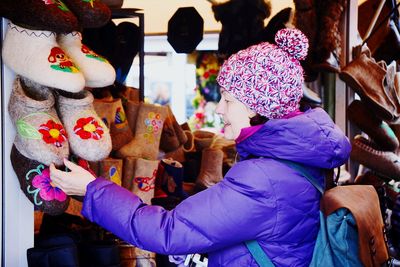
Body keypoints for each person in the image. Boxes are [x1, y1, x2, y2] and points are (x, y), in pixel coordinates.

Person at [50, 28, 351, 266]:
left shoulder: (264, 179)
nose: (220, 110)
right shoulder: (293, 160)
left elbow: (168, 232)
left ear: (257, 108)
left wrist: (92, 190)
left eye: (229, 100)